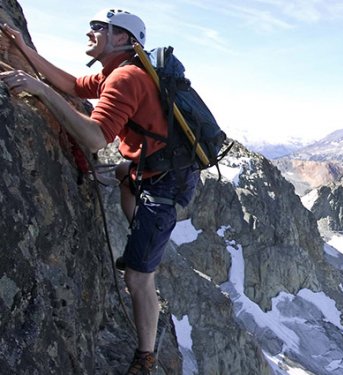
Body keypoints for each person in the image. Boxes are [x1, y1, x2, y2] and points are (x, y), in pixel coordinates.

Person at [0, 8, 198, 374]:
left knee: (137, 278)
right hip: (152, 170)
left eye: (99, 28)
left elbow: (93, 138)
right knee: (123, 170)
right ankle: (141, 242)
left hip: (165, 182)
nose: (90, 32)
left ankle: (146, 357)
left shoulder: (125, 78)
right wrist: (22, 47)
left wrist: (40, 90)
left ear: (122, 38)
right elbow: (73, 85)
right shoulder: (115, 72)